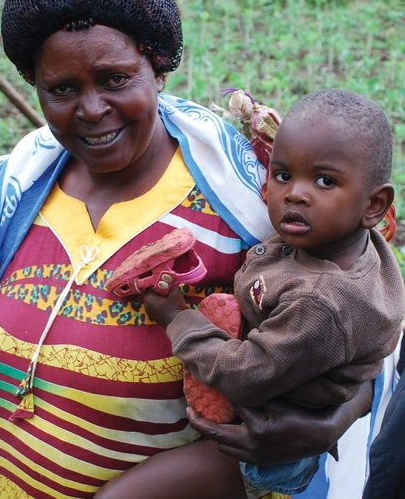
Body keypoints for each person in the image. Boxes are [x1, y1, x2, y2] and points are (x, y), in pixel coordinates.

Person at [0, 0, 397, 499]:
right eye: (62, 89)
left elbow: (356, 328)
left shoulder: (246, 206)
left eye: (115, 79)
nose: (92, 108)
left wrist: (333, 420)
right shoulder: (3, 203)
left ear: (158, 68)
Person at [141, 88, 405, 498]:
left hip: (265, 448)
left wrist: (179, 320)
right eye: (282, 175)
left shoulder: (321, 305)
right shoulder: (343, 238)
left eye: (324, 180)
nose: (294, 193)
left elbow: (246, 375)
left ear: (375, 205)